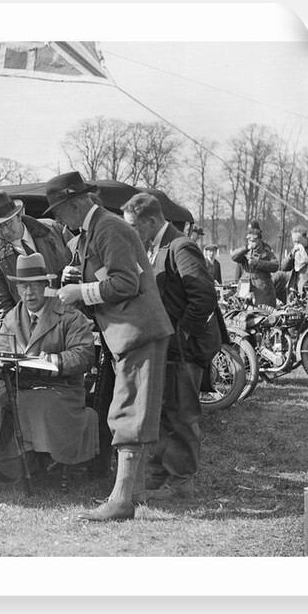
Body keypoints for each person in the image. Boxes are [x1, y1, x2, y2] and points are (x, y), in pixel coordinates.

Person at [47, 171, 173, 521]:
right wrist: (82, 281)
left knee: (128, 410)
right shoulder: (97, 229)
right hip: (130, 332)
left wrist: (79, 291)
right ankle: (134, 492)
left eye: (59, 212)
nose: (58, 220)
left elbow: (127, 283)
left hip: (137, 332)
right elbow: (112, 278)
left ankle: (121, 501)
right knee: (131, 406)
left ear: (74, 204)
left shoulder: (108, 228)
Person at [121, 194, 222, 500]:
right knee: (164, 411)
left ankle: (180, 483)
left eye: (135, 226)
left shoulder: (181, 246)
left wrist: (184, 336)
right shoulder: (154, 246)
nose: (132, 232)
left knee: (181, 414)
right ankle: (159, 475)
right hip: (167, 346)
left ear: (152, 221)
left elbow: (204, 298)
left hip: (183, 349)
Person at [0, 253, 100, 472]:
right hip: (20, 387)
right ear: (17, 289)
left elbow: (84, 355)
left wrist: (53, 361)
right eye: (23, 287)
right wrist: (2, 363)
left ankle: (38, 461)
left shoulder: (70, 316)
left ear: (46, 285)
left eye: (35, 286)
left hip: (62, 390)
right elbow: (0, 351)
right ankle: (8, 464)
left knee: (35, 402)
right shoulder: (12, 318)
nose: (29, 293)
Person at [0, 190, 71, 327]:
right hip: (35, 328)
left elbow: (82, 257)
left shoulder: (53, 230)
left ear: (19, 216)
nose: (5, 231)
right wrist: (25, 331)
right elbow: (2, 307)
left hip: (72, 316)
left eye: (7, 223)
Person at [230, 221, 279, 307]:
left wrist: (258, 263)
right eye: (249, 240)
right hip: (245, 286)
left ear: (259, 240)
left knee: (263, 312)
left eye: (254, 240)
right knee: (242, 311)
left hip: (262, 287)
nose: (251, 242)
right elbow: (233, 256)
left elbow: (275, 265)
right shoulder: (244, 251)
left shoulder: (266, 251)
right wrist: (246, 248)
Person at [280, 225, 308, 301]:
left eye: (299, 241)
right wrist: (290, 256)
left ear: (306, 238)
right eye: (294, 242)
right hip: (295, 290)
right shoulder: (295, 251)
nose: (297, 244)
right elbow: (283, 267)